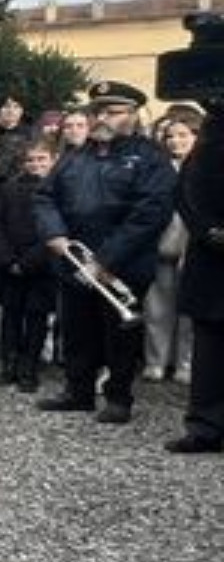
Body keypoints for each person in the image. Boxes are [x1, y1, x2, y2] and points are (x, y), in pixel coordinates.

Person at [33, 80, 178, 424]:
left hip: (122, 265)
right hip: (75, 259)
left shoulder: (149, 157)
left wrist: (105, 260)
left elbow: (150, 213)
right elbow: (44, 196)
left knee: (119, 334)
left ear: (132, 115)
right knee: (77, 327)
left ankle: (118, 397)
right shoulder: (74, 156)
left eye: (113, 112)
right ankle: (78, 391)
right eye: (98, 110)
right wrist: (54, 233)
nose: (103, 118)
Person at [166, 107, 222, 456]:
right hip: (212, 260)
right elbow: (187, 195)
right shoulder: (206, 150)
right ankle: (205, 426)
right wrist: (210, 231)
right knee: (210, 351)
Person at [0, 141, 58, 392]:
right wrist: (6, 259)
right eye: (31, 160)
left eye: (42, 159)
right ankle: (9, 365)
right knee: (10, 316)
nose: (36, 165)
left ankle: (30, 368)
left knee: (37, 318)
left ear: (53, 160)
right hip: (10, 264)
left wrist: (31, 261)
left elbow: (58, 230)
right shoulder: (8, 189)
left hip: (42, 266)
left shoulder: (60, 190)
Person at [143, 110, 200, 383]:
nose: (175, 141)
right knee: (157, 310)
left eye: (182, 135)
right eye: (170, 136)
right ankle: (156, 361)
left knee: (190, 313)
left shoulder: (206, 169)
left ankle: (185, 363)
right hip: (161, 248)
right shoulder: (159, 169)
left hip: (195, 250)